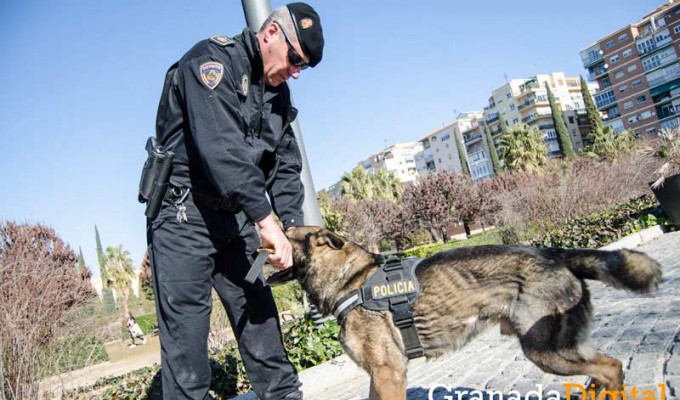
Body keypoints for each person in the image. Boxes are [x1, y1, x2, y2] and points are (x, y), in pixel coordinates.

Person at [146, 3, 324, 400]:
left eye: (304, 66)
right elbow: (222, 149)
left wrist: (291, 228)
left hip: (237, 218)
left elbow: (284, 164)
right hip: (183, 217)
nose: (296, 70)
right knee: (187, 353)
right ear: (270, 33)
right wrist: (266, 220)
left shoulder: (278, 93)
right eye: (295, 58)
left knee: (261, 323)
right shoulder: (210, 62)